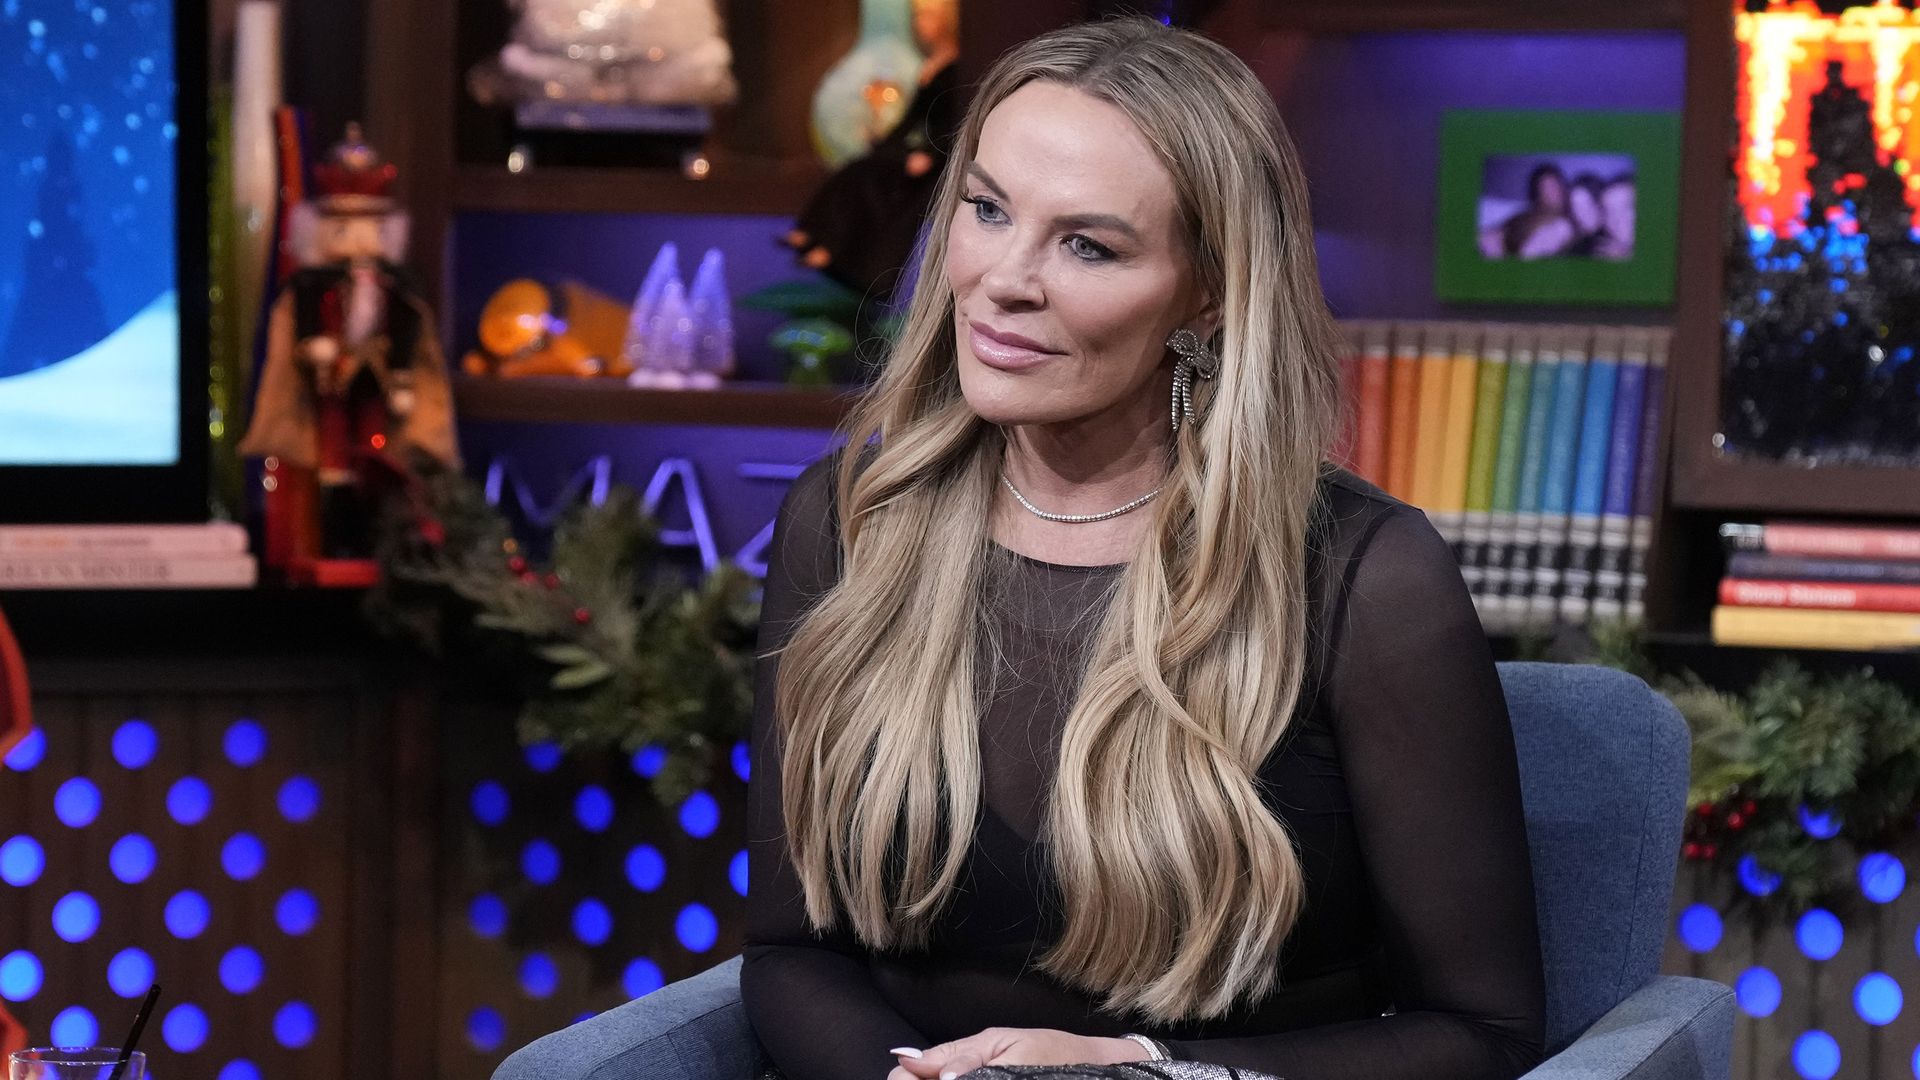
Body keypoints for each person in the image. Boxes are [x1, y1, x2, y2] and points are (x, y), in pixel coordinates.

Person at [743, 18, 1545, 1080]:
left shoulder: (1364, 581)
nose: (1001, 280)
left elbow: (1482, 1031)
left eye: (1089, 244)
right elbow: (793, 951)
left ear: (1206, 294)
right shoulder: (848, 522)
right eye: (986, 210)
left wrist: (1142, 1072)